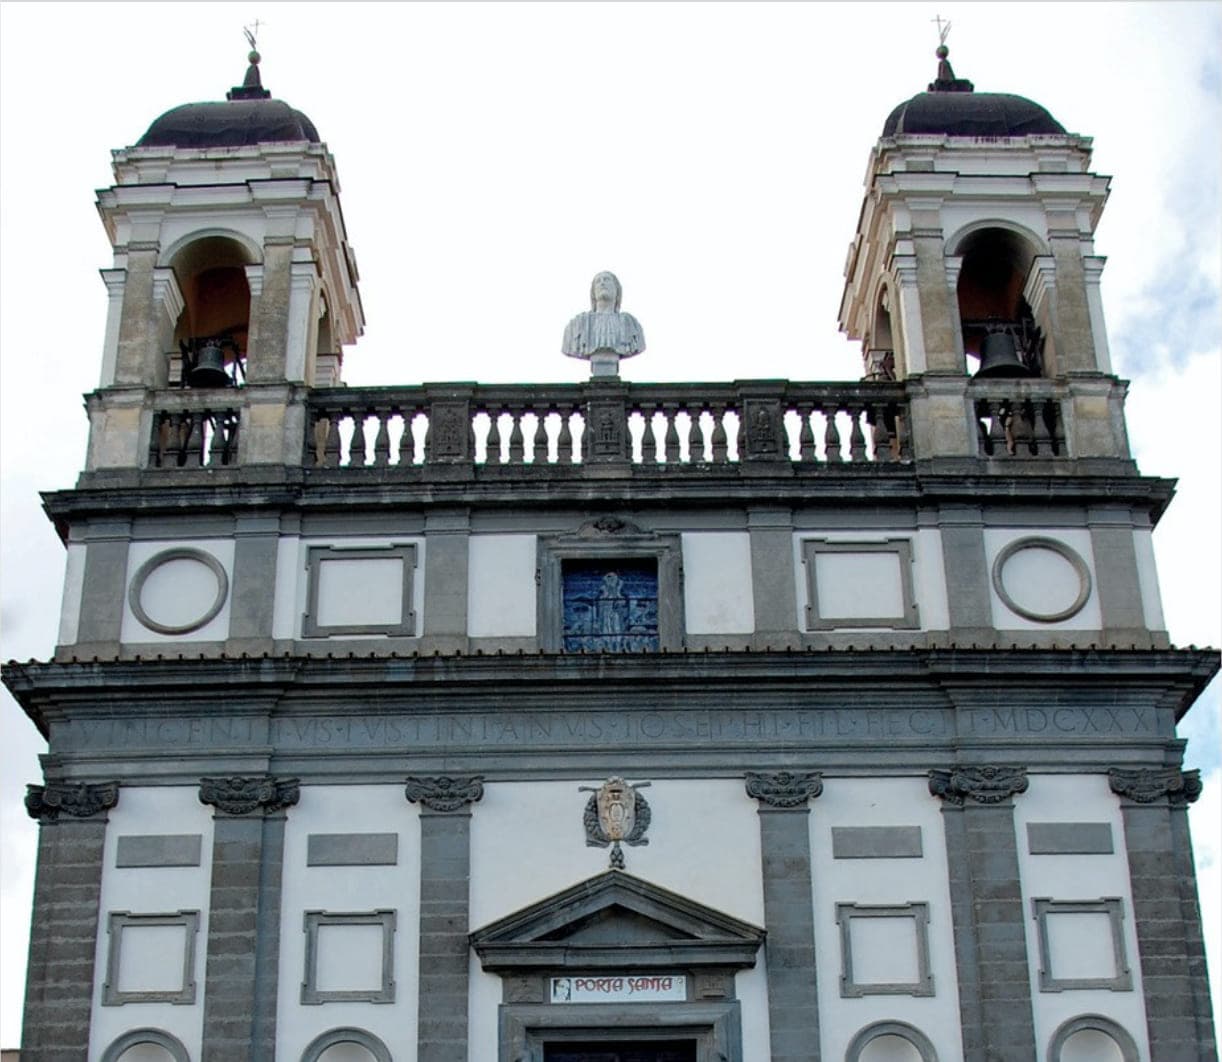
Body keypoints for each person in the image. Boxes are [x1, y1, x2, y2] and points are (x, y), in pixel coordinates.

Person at [561, 271, 645, 372]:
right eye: (598, 281)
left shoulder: (631, 324)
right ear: (593, 292)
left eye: (607, 280)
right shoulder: (576, 325)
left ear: (617, 290)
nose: (602, 283)